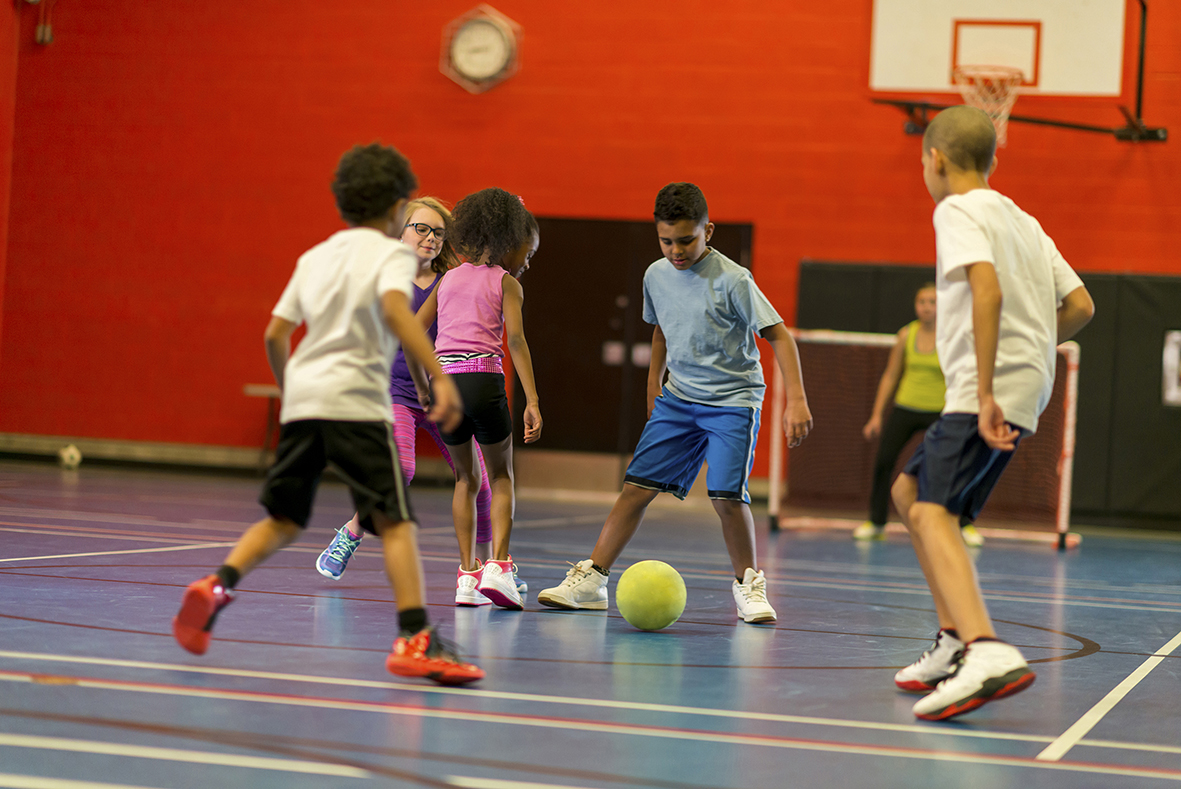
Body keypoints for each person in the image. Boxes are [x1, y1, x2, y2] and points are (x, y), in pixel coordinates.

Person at [172, 143, 483, 685]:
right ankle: (414, 639)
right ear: (395, 210)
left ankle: (215, 584)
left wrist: (290, 389)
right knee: (398, 521)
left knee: (283, 519)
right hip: (357, 404)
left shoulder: (315, 257)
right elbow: (395, 312)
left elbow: (275, 333)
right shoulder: (390, 257)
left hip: (306, 401)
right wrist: (438, 375)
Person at [891, 106, 1094, 720]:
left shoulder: (956, 208)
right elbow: (1081, 305)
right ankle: (955, 639)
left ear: (937, 159)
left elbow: (987, 288)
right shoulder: (1024, 220)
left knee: (931, 511)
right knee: (907, 491)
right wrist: (1031, 349)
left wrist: (983, 390)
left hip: (987, 390)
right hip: (1028, 386)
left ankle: (985, 649)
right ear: (993, 160)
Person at [537, 183, 812, 624]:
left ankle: (749, 587)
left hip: (732, 402)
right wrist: (654, 382)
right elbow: (661, 329)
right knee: (634, 490)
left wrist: (795, 400)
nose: (676, 250)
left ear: (709, 231)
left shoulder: (734, 279)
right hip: (679, 399)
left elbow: (778, 334)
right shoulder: (655, 275)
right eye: (666, 241)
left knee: (726, 497)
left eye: (687, 240)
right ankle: (592, 580)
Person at [313, 196, 522, 600]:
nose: (430, 237)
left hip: (444, 395)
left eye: (439, 232)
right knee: (402, 471)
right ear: (401, 232)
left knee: (479, 484)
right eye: (421, 228)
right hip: (397, 394)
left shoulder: (453, 281)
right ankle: (352, 531)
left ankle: (486, 571)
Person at [416, 187, 542, 611]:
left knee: (464, 480)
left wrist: (422, 381)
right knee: (501, 478)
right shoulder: (506, 283)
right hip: (483, 379)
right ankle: (499, 567)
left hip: (444, 383)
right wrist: (533, 401)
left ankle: (467, 578)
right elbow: (518, 343)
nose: (526, 261)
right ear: (511, 240)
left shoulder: (447, 278)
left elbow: (415, 330)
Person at [853, 284, 984, 547]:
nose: (927, 306)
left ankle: (964, 524)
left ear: (942, 306)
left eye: (932, 302)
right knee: (884, 461)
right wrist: (877, 415)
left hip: (941, 410)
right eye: (922, 301)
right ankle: (877, 522)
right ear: (916, 306)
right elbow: (891, 375)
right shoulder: (905, 335)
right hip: (906, 407)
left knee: (956, 467)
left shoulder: (952, 337)